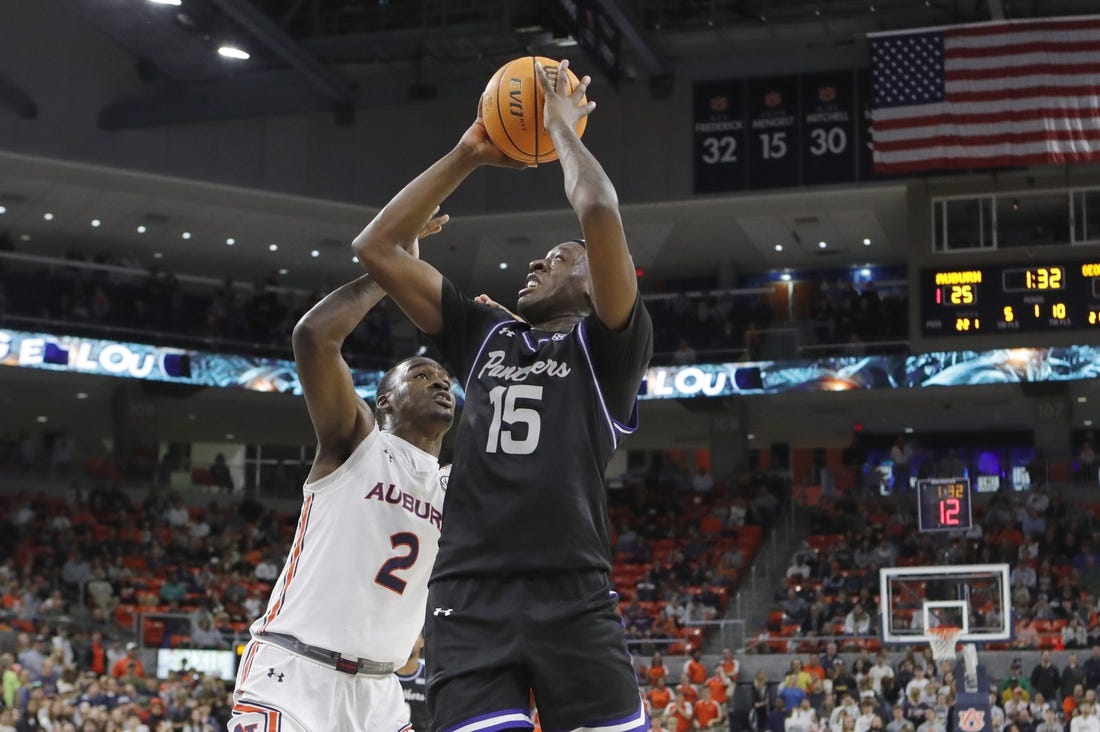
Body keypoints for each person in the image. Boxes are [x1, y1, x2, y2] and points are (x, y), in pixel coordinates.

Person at [354, 58, 652, 732]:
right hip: (469, 597)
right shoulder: (486, 334)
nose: (537, 261)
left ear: (595, 282)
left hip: (573, 593)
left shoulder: (609, 347)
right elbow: (376, 247)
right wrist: (467, 153)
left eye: (561, 257)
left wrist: (558, 126)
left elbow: (598, 207)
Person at [228, 214, 456, 732]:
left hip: (380, 694)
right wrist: (391, 273)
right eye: (421, 376)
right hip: (295, 676)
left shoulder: (454, 486)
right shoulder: (357, 442)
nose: (440, 384)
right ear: (385, 400)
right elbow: (314, 337)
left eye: (444, 379)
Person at [396, 636, 429, 732]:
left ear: (423, 641)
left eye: (414, 636)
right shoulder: (385, 677)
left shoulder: (430, 677)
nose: (408, 640)